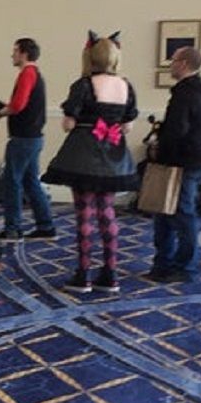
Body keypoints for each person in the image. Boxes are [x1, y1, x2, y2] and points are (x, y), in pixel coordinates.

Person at [43, 32, 138, 295]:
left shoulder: (83, 85)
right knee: (107, 211)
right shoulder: (126, 86)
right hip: (113, 155)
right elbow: (128, 126)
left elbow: (68, 123)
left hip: (83, 154)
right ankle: (110, 274)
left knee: (84, 213)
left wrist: (80, 122)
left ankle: (83, 274)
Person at [146, 45, 201, 283]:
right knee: (171, 213)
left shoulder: (185, 93)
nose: (170, 65)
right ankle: (165, 263)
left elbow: (177, 130)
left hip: (182, 160)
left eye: (173, 60)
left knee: (181, 214)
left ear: (183, 64)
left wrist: (159, 151)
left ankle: (183, 266)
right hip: (196, 158)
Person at [0, 37, 55, 241]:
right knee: (31, 182)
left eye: (15, 51)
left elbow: (18, 105)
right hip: (33, 138)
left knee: (11, 182)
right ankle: (46, 226)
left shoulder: (27, 73)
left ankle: (12, 229)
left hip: (23, 139)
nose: (12, 55)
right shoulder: (35, 74)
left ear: (24, 53)